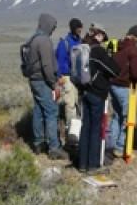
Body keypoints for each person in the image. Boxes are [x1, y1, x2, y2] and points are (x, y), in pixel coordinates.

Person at [24, 13, 69, 160]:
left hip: (34, 80)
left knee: (38, 110)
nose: (53, 30)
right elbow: (47, 66)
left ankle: (38, 143)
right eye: (53, 27)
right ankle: (54, 148)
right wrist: (54, 83)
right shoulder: (44, 41)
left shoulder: (33, 39)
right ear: (47, 25)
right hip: (43, 81)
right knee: (51, 112)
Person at [77, 23, 119, 173]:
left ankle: (82, 163)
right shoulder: (98, 51)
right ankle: (93, 165)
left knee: (85, 126)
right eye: (103, 36)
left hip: (84, 92)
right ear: (99, 35)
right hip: (97, 93)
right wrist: (110, 55)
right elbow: (115, 70)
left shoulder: (82, 48)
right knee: (95, 128)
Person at [108, 25, 137, 158]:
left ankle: (110, 145)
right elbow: (135, 74)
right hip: (124, 86)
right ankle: (120, 147)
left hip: (112, 84)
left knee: (116, 116)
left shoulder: (118, 46)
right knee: (127, 118)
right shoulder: (133, 50)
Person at [54, 18, 83, 134]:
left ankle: (76, 131)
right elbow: (61, 64)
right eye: (78, 29)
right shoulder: (64, 43)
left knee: (77, 105)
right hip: (67, 77)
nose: (80, 31)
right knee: (70, 105)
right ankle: (71, 132)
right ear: (74, 28)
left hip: (78, 78)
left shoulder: (80, 42)